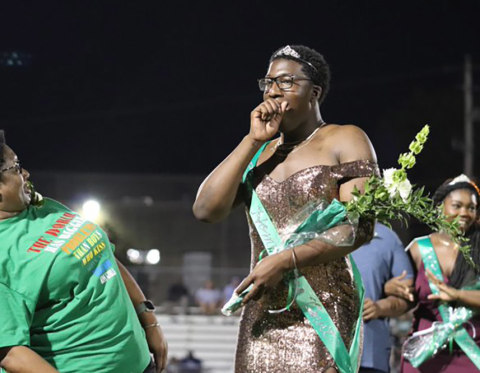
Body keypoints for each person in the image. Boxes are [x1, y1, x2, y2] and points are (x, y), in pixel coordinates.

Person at [193, 44, 378, 372]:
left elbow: (359, 226)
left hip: (323, 307)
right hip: (264, 311)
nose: (273, 90)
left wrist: (286, 259)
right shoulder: (258, 153)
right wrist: (252, 140)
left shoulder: (345, 138)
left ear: (315, 92)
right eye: (268, 82)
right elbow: (205, 210)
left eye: (286, 82)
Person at [0, 122, 168, 373]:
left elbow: (102, 256)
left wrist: (148, 318)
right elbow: (10, 352)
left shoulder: (44, 209)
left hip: (140, 365)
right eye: (16, 167)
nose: (26, 174)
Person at [392, 175, 480, 372]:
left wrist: (458, 295)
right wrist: (392, 288)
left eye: (471, 208)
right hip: (424, 356)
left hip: (471, 355)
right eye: (457, 206)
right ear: (440, 206)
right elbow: (402, 298)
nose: (465, 213)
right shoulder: (418, 248)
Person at [351, 223, 415, 373]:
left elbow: (408, 296)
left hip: (369, 355)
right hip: (321, 353)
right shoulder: (317, 230)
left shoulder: (387, 237)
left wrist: (379, 307)